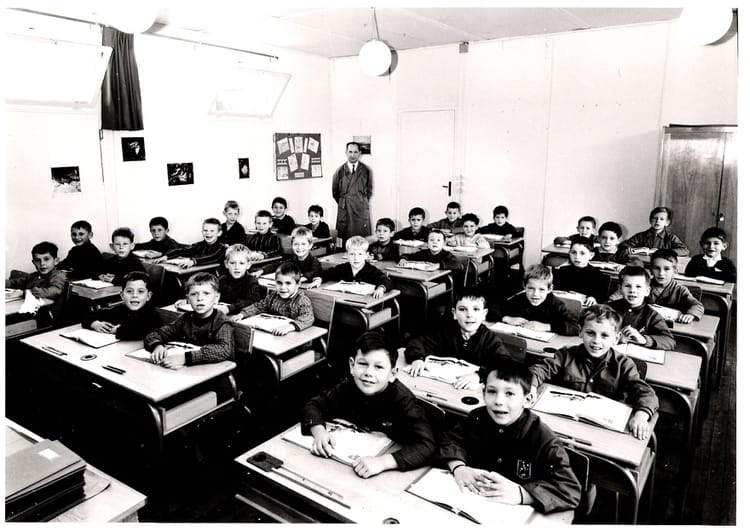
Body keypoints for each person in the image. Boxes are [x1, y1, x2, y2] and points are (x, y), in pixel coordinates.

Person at [437, 358, 581, 513]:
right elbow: (450, 439)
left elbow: (570, 490)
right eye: (492, 391)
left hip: (512, 513)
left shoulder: (543, 439)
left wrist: (522, 494)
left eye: (509, 393)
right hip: (470, 501)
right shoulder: (477, 417)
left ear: (528, 399)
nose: (498, 401)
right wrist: (458, 467)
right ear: (483, 393)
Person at [301, 331, 436, 478]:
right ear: (352, 365)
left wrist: (383, 463)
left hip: (383, 471)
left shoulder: (403, 399)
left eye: (379, 367)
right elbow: (314, 405)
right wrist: (319, 432)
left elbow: (427, 445)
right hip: (346, 463)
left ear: (392, 373)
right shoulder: (349, 386)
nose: (368, 373)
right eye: (363, 364)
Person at [528, 305, 659, 440]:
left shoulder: (624, 364)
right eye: (590, 333)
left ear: (616, 338)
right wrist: (531, 387)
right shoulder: (566, 354)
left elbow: (646, 393)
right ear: (580, 332)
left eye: (604, 335)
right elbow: (540, 370)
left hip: (602, 432)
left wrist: (641, 416)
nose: (596, 341)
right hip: (564, 425)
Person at [404, 289, 510, 389]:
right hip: (442, 387)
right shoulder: (444, 332)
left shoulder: (490, 339)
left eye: (476, 309)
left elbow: (504, 363)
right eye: (462, 309)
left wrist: (479, 376)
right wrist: (417, 359)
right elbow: (416, 342)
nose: (469, 315)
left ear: (484, 314)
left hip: (470, 392)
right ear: (454, 313)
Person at [144, 272, 234, 368]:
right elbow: (154, 335)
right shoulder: (185, 319)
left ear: (216, 298)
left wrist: (186, 358)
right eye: (194, 294)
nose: (200, 298)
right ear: (188, 298)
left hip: (216, 371)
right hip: (189, 370)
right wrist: (157, 346)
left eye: (206, 293)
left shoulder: (222, 322)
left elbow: (223, 350)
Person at [235, 262, 314, 335]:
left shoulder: (302, 300)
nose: (283, 287)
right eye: (279, 283)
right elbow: (259, 306)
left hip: (294, 337)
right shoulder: (273, 296)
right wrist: (242, 314)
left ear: (298, 284)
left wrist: (290, 327)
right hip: (274, 333)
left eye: (288, 283)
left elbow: (308, 317)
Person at [608, 264, 675, 350]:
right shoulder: (608, 309)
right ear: (620, 289)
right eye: (628, 286)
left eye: (638, 287)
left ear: (647, 291)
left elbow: (670, 341)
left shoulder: (652, 315)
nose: (632, 290)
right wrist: (615, 338)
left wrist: (644, 339)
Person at [500, 264, 579, 336]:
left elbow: (576, 327)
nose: (535, 294)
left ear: (550, 289)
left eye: (541, 289)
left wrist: (547, 327)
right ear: (524, 286)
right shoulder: (519, 299)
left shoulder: (557, 305)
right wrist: (507, 318)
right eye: (531, 288)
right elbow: (494, 310)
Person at [81, 271, 161, 340]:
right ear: (122, 295)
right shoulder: (121, 310)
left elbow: (142, 330)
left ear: (148, 296)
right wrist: (94, 323)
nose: (134, 295)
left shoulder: (151, 315)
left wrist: (118, 330)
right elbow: (88, 315)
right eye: (129, 291)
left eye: (140, 291)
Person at [323, 236, 392, 299]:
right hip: (345, 301)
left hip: (364, 303)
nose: (356, 258)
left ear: (366, 255)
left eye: (360, 254)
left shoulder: (371, 270)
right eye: (352, 254)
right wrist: (319, 279)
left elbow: (386, 281)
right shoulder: (343, 268)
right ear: (346, 255)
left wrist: (381, 288)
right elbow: (326, 274)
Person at [647, 249, 704, 323]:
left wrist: (690, 314)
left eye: (666, 269)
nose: (661, 273)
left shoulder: (680, 290)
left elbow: (697, 305)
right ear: (651, 270)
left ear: (675, 271)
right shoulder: (644, 286)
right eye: (657, 268)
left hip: (674, 326)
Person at [332, 142, 372, 241]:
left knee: (361, 239)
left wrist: (360, 201)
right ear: (346, 152)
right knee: (344, 238)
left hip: (360, 208)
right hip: (345, 209)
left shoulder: (366, 170)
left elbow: (369, 190)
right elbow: (335, 192)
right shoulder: (340, 170)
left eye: (355, 152)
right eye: (350, 152)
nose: (352, 155)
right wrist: (344, 202)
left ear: (359, 153)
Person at [553, 236, 610, 305]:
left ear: (591, 255)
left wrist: (593, 298)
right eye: (573, 252)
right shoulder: (561, 272)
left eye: (582, 253)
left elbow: (601, 297)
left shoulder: (599, 276)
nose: (577, 257)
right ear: (569, 253)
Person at [219, 244, 265, 321]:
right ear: (226, 264)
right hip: (222, 316)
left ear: (248, 265)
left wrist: (229, 308)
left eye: (241, 263)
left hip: (241, 317)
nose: (236, 267)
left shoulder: (251, 281)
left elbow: (251, 301)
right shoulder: (222, 280)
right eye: (232, 263)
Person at [157, 218, 226, 268]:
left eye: (212, 231)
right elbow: (183, 250)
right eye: (205, 230)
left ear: (219, 233)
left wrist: (193, 261)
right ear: (202, 232)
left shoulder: (222, 248)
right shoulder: (200, 245)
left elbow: (212, 257)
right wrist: (166, 256)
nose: (208, 233)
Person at [623, 206, 689, 256]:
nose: (657, 221)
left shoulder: (670, 237)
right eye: (655, 218)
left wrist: (665, 252)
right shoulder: (641, 236)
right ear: (650, 220)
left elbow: (685, 250)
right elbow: (624, 245)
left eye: (661, 219)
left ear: (667, 223)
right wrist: (630, 249)